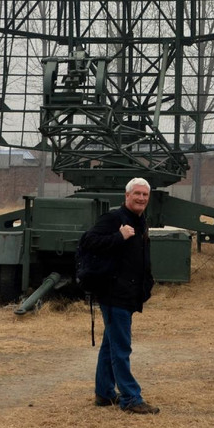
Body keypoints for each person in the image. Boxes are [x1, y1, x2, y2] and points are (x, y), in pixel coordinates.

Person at [79, 176, 159, 414]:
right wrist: (118, 236)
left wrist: (147, 284)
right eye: (137, 194)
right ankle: (130, 398)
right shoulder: (113, 219)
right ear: (127, 196)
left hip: (128, 293)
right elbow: (88, 241)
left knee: (111, 345)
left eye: (145, 195)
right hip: (114, 294)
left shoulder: (140, 220)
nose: (141, 198)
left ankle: (104, 393)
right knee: (121, 347)